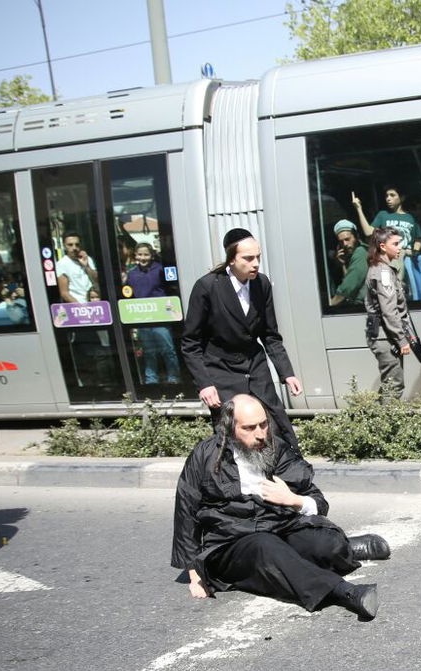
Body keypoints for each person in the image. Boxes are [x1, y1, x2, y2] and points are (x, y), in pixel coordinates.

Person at [172, 394, 387, 620]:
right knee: (266, 547)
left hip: (279, 526)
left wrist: (293, 500)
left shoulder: (276, 449)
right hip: (231, 543)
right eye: (249, 427)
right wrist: (195, 572)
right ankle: (344, 592)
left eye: (263, 424)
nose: (260, 434)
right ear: (229, 427)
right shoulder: (205, 455)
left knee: (324, 545)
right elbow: (185, 510)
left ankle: (345, 548)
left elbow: (317, 501)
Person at [183, 228, 304, 448]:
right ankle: (236, 480)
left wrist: (287, 373)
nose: (255, 263)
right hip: (221, 371)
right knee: (234, 435)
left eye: (258, 257)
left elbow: (270, 335)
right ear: (231, 259)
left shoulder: (262, 284)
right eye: (248, 258)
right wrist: (205, 384)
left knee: (276, 426)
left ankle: (290, 478)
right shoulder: (207, 287)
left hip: (256, 367)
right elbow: (190, 343)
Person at [365, 227, 411, 401]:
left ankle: (375, 424)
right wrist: (401, 339)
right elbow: (389, 310)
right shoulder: (383, 272)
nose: (400, 247)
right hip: (385, 336)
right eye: (396, 244)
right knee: (394, 385)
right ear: (383, 246)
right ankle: (386, 427)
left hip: (385, 335)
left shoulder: (384, 268)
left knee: (389, 385)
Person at [127, 243, 179, 385]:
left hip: (161, 317)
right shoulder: (131, 274)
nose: (143, 258)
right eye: (140, 254)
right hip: (143, 318)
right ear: (135, 255)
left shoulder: (160, 270)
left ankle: (173, 378)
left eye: (146, 254)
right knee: (149, 352)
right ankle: (151, 380)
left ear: (151, 255)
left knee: (168, 349)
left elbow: (171, 289)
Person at [328, 220, 368, 311]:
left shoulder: (361, 252)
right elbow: (349, 278)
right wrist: (343, 264)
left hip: (362, 307)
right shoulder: (352, 255)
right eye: (341, 242)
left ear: (356, 236)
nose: (345, 244)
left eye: (347, 239)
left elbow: (347, 288)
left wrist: (330, 304)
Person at [55, 233, 99, 304]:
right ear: (64, 246)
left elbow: (96, 279)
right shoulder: (62, 264)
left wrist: (87, 266)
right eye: (70, 245)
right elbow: (64, 293)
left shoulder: (87, 259)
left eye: (77, 244)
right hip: (78, 306)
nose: (74, 248)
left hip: (94, 302)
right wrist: (80, 306)